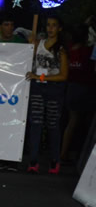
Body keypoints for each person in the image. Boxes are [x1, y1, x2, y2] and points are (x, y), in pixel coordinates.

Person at [26, 15, 68, 174]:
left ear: (59, 28)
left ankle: (54, 160)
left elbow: (64, 75)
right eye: (48, 25)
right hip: (38, 88)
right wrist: (30, 46)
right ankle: (33, 161)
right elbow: (29, 59)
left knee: (52, 125)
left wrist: (41, 77)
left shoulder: (61, 50)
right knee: (36, 123)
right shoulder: (39, 44)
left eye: (54, 25)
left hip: (54, 89)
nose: (50, 28)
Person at [0, 11, 27, 172]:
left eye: (12, 25)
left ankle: (11, 158)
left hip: (16, 90)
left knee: (13, 123)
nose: (9, 28)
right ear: (0, 26)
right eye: (6, 24)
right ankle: (0, 156)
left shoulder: (21, 42)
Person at [60, 23, 96, 163]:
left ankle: (65, 153)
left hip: (71, 88)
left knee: (72, 122)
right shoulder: (88, 51)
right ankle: (72, 154)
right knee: (82, 123)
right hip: (85, 89)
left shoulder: (69, 50)